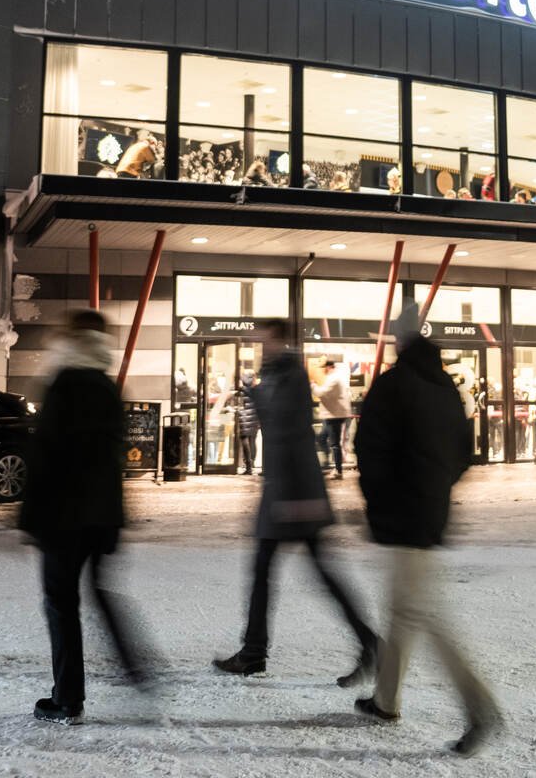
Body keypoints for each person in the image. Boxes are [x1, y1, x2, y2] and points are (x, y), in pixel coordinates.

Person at [353, 306, 503, 756]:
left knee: (420, 612)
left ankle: (480, 708)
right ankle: (385, 701)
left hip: (401, 514)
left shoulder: (393, 385)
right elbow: (464, 453)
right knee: (404, 609)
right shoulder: (445, 387)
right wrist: (435, 489)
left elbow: (369, 450)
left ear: (399, 343)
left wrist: (379, 502)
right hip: (430, 512)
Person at [213, 320, 377, 683]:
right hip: (288, 491)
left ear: (279, 340)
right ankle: (256, 651)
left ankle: (256, 652)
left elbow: (287, 431)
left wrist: (255, 393)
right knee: (291, 571)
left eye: (264, 339)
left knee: (280, 572)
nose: (260, 345)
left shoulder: (290, 375)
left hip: (292, 494)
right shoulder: (279, 373)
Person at [19, 309, 152, 722]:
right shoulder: (107, 385)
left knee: (61, 604)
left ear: (71, 337)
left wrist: (28, 516)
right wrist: (115, 518)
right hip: (100, 514)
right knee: (98, 591)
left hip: (62, 515)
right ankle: (135, 665)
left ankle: (67, 698)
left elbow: (45, 455)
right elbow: (113, 459)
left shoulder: (63, 382)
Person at [315, 358, 354, 479]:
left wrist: (312, 385)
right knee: (322, 438)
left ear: (328, 367)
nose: (323, 370)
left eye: (324, 368)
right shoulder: (334, 377)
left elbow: (321, 393)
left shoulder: (334, 378)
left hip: (334, 416)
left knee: (335, 443)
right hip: (331, 415)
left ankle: (338, 470)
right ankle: (328, 463)